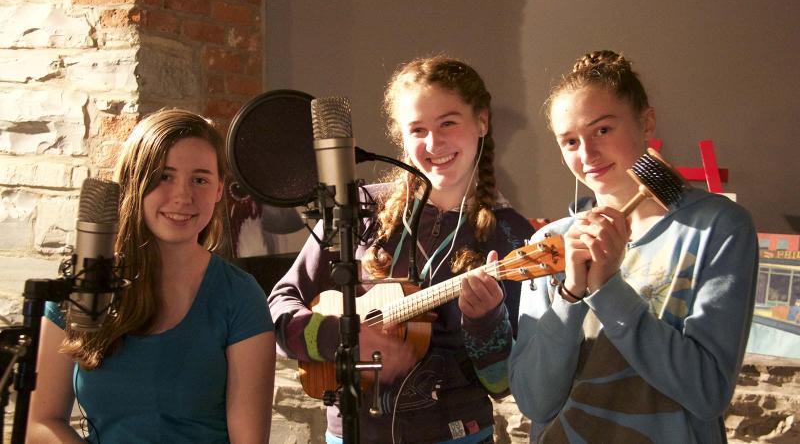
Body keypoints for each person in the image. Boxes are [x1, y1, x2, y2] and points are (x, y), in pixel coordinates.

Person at [268, 55, 535, 443]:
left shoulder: (511, 237)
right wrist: (338, 337)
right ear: (402, 137)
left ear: (482, 121)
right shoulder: (355, 211)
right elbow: (280, 305)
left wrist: (486, 321)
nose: (433, 143)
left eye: (448, 122)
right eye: (418, 129)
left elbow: (502, 385)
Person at [509, 50, 758, 443]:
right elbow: (535, 403)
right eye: (570, 141)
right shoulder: (551, 245)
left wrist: (607, 288)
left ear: (646, 121)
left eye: (602, 130)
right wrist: (571, 294)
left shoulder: (717, 227)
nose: (587, 155)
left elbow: (707, 392)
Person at [27, 109, 276, 443]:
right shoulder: (84, 286)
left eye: (200, 179)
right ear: (134, 181)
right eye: (164, 176)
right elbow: (40, 422)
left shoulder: (240, 295)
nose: (183, 196)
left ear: (219, 190)